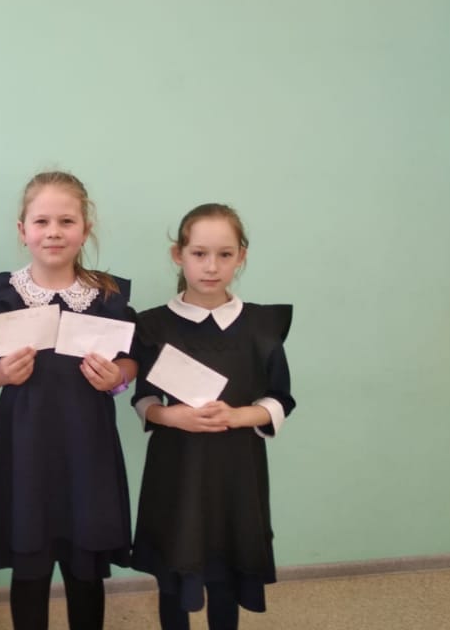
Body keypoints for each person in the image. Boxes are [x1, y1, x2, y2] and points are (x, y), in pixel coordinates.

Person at [0, 171, 136, 630]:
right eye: (41, 221)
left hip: (88, 448)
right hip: (25, 450)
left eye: (66, 221)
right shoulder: (1, 295)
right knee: (30, 563)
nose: (54, 232)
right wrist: (0, 374)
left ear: (85, 229)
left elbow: (131, 359)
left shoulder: (107, 295)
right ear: (22, 230)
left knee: (85, 564)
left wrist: (117, 377)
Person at [131, 204, 294, 630]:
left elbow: (280, 398)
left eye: (224, 254)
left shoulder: (262, 325)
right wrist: (172, 417)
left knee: (226, 571)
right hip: (176, 469)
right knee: (174, 571)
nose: (211, 266)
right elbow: (143, 399)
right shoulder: (153, 326)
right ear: (178, 255)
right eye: (199, 253)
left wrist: (239, 415)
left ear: (241, 256)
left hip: (237, 471)